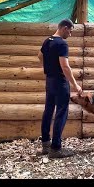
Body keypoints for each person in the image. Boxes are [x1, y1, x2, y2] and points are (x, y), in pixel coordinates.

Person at [38, 18, 83, 158]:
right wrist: (75, 84)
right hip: (60, 83)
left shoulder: (48, 41)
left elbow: (39, 56)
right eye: (70, 31)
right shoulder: (62, 44)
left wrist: (49, 68)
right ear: (64, 28)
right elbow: (65, 66)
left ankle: (45, 145)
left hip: (49, 81)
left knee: (48, 111)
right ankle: (56, 149)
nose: (70, 34)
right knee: (61, 113)